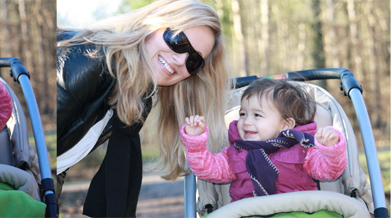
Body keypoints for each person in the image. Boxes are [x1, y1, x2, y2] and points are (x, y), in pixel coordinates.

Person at [54, 0, 231, 216]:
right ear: (151, 25)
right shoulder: (91, 61)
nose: (179, 60)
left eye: (193, 60)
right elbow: (36, 152)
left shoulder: (138, 94)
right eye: (178, 40)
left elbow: (59, 160)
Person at [181, 78, 347, 202]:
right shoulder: (235, 154)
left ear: (285, 124)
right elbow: (207, 169)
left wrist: (331, 149)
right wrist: (195, 142)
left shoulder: (303, 150)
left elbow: (330, 171)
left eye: (257, 115)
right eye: (243, 114)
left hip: (298, 210)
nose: (246, 121)